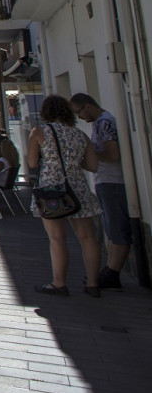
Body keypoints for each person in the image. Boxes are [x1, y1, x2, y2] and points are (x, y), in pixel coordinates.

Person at [28, 94, 102, 297]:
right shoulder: (80, 135)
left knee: (57, 238)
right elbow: (93, 166)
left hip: (51, 190)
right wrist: (73, 164)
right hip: (77, 188)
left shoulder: (39, 132)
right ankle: (93, 284)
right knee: (87, 237)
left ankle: (59, 283)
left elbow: (33, 163)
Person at [71, 93, 131, 290]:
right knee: (111, 229)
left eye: (79, 112)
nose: (80, 117)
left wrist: (88, 155)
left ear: (88, 106)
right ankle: (110, 270)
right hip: (106, 181)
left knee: (116, 228)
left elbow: (112, 154)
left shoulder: (105, 122)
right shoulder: (100, 123)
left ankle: (113, 272)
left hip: (113, 181)